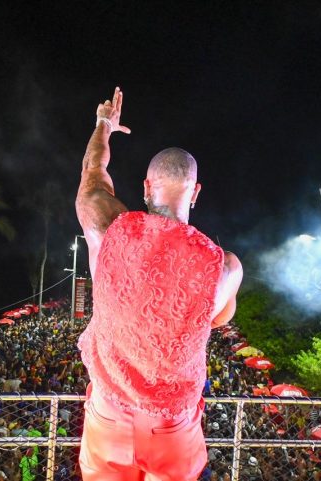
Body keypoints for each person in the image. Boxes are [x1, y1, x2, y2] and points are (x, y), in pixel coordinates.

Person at [75, 87, 243, 480]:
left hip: (108, 413)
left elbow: (92, 173)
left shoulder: (107, 226)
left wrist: (104, 125)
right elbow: (217, 321)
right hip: (171, 429)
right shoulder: (225, 268)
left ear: (147, 188)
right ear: (196, 192)